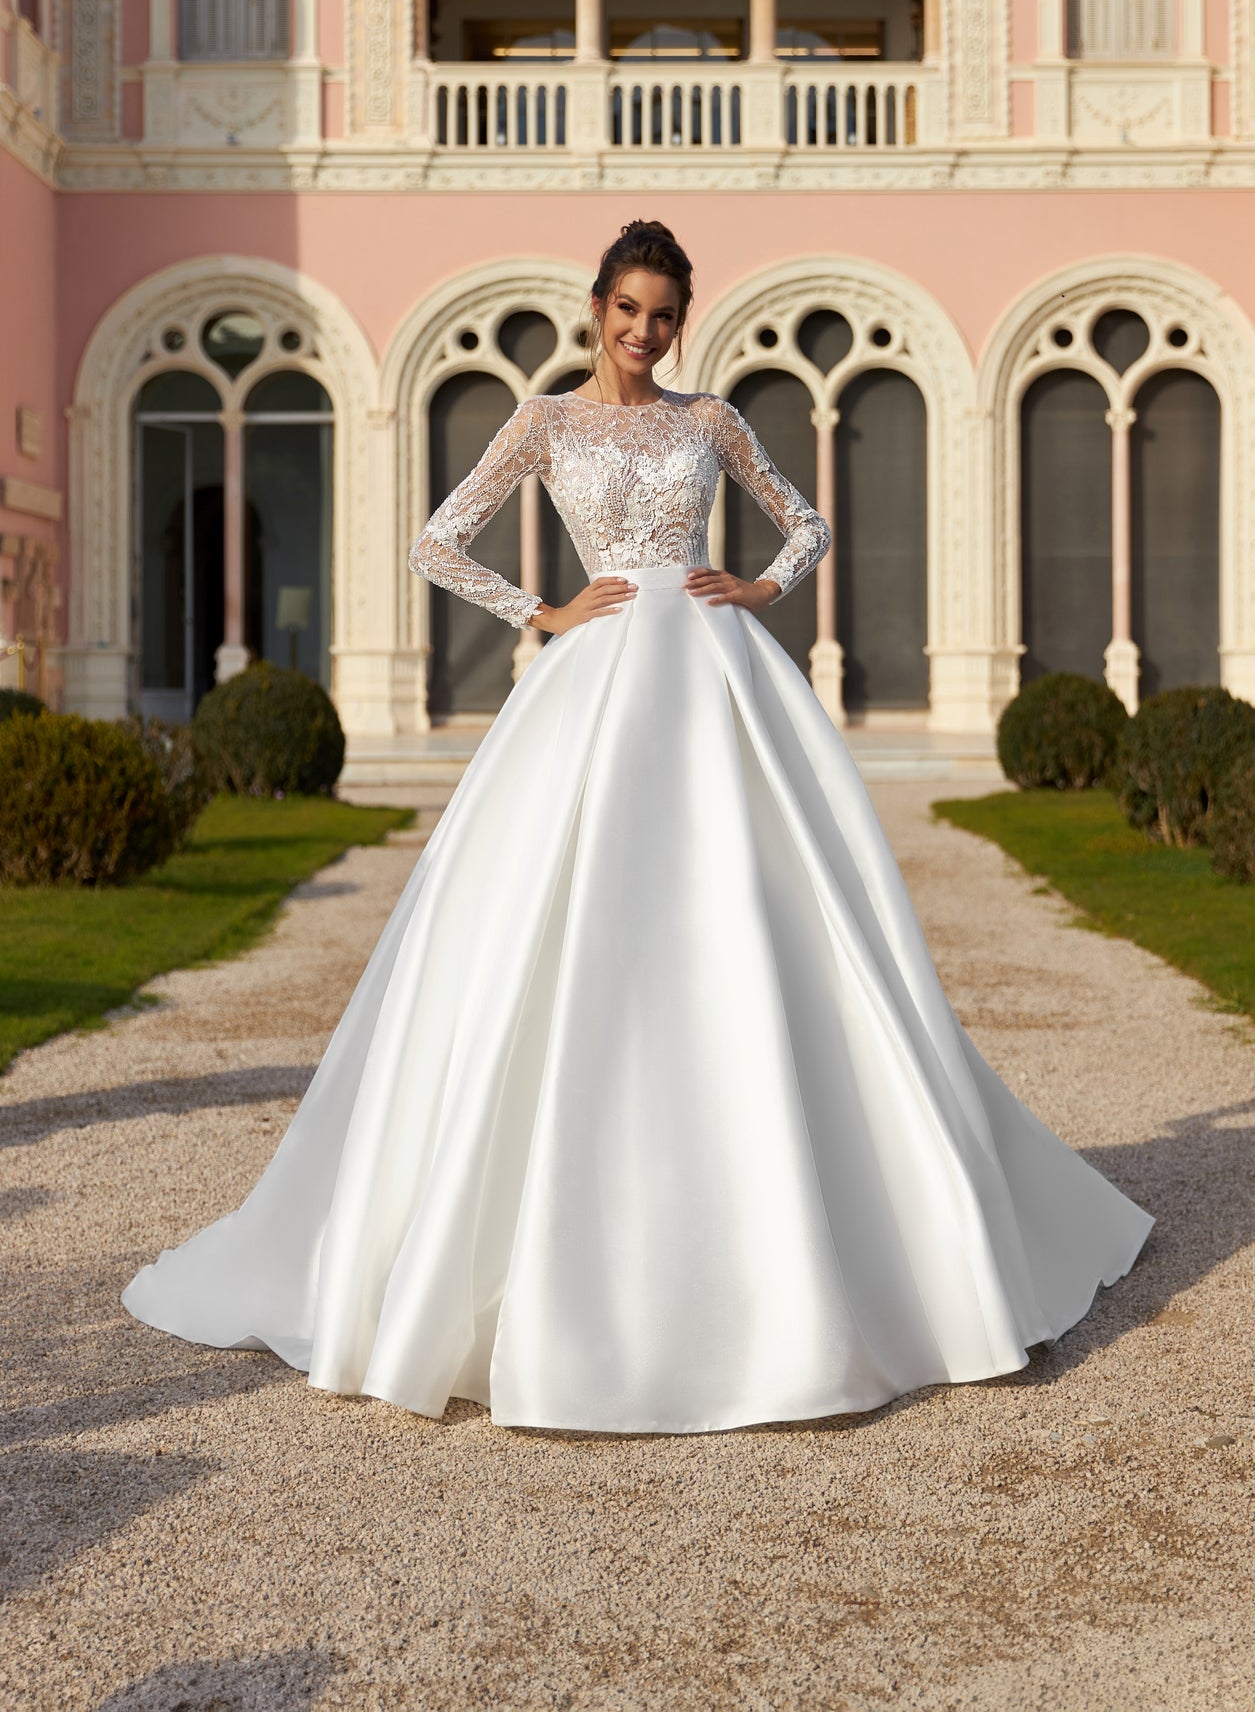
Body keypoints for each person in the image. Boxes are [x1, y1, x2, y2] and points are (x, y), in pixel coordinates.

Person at [123, 220, 1151, 1434]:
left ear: (678, 317)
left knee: (754, 910)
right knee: (562, 920)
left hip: (712, 675)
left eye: (662, 314)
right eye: (626, 309)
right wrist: (541, 610)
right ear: (595, 304)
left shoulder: (710, 418)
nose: (642, 332)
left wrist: (761, 586)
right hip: (594, 675)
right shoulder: (543, 422)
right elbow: (433, 537)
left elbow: (803, 523)